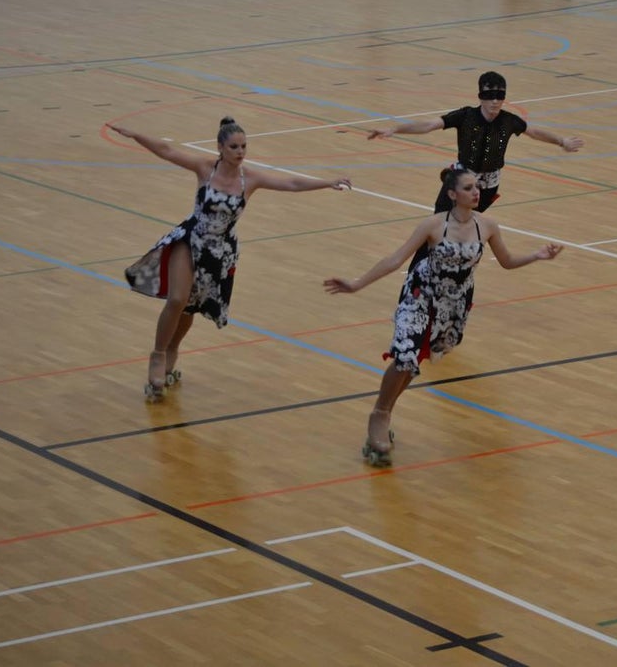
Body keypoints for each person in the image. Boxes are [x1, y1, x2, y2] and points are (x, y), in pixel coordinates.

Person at [324, 166, 563, 467]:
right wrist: (357, 284)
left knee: (415, 362)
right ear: (452, 194)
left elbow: (507, 261)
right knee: (405, 356)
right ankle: (379, 415)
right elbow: (395, 259)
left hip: (454, 304)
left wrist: (537, 256)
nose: (476, 191)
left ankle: (386, 410)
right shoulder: (433, 225)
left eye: (476, 186)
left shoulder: (487, 225)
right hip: (421, 295)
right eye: (468, 188)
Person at [110, 116, 352, 401]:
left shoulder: (250, 178)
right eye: (234, 146)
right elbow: (167, 150)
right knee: (177, 299)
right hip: (190, 240)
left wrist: (328, 182)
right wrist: (135, 133)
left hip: (220, 251)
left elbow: (292, 182)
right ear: (220, 148)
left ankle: (173, 348)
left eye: (244, 146)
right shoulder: (204, 168)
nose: (240, 152)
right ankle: (158, 354)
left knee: (190, 307)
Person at [367, 70, 582, 289]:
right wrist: (394, 129)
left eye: (500, 96)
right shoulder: (466, 116)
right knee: (437, 227)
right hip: (460, 181)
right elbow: (429, 125)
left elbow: (534, 131)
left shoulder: (509, 121)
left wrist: (561, 141)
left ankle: (452, 274)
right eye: (490, 96)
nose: (495, 102)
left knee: (463, 228)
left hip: (487, 188)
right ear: (480, 96)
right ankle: (416, 280)